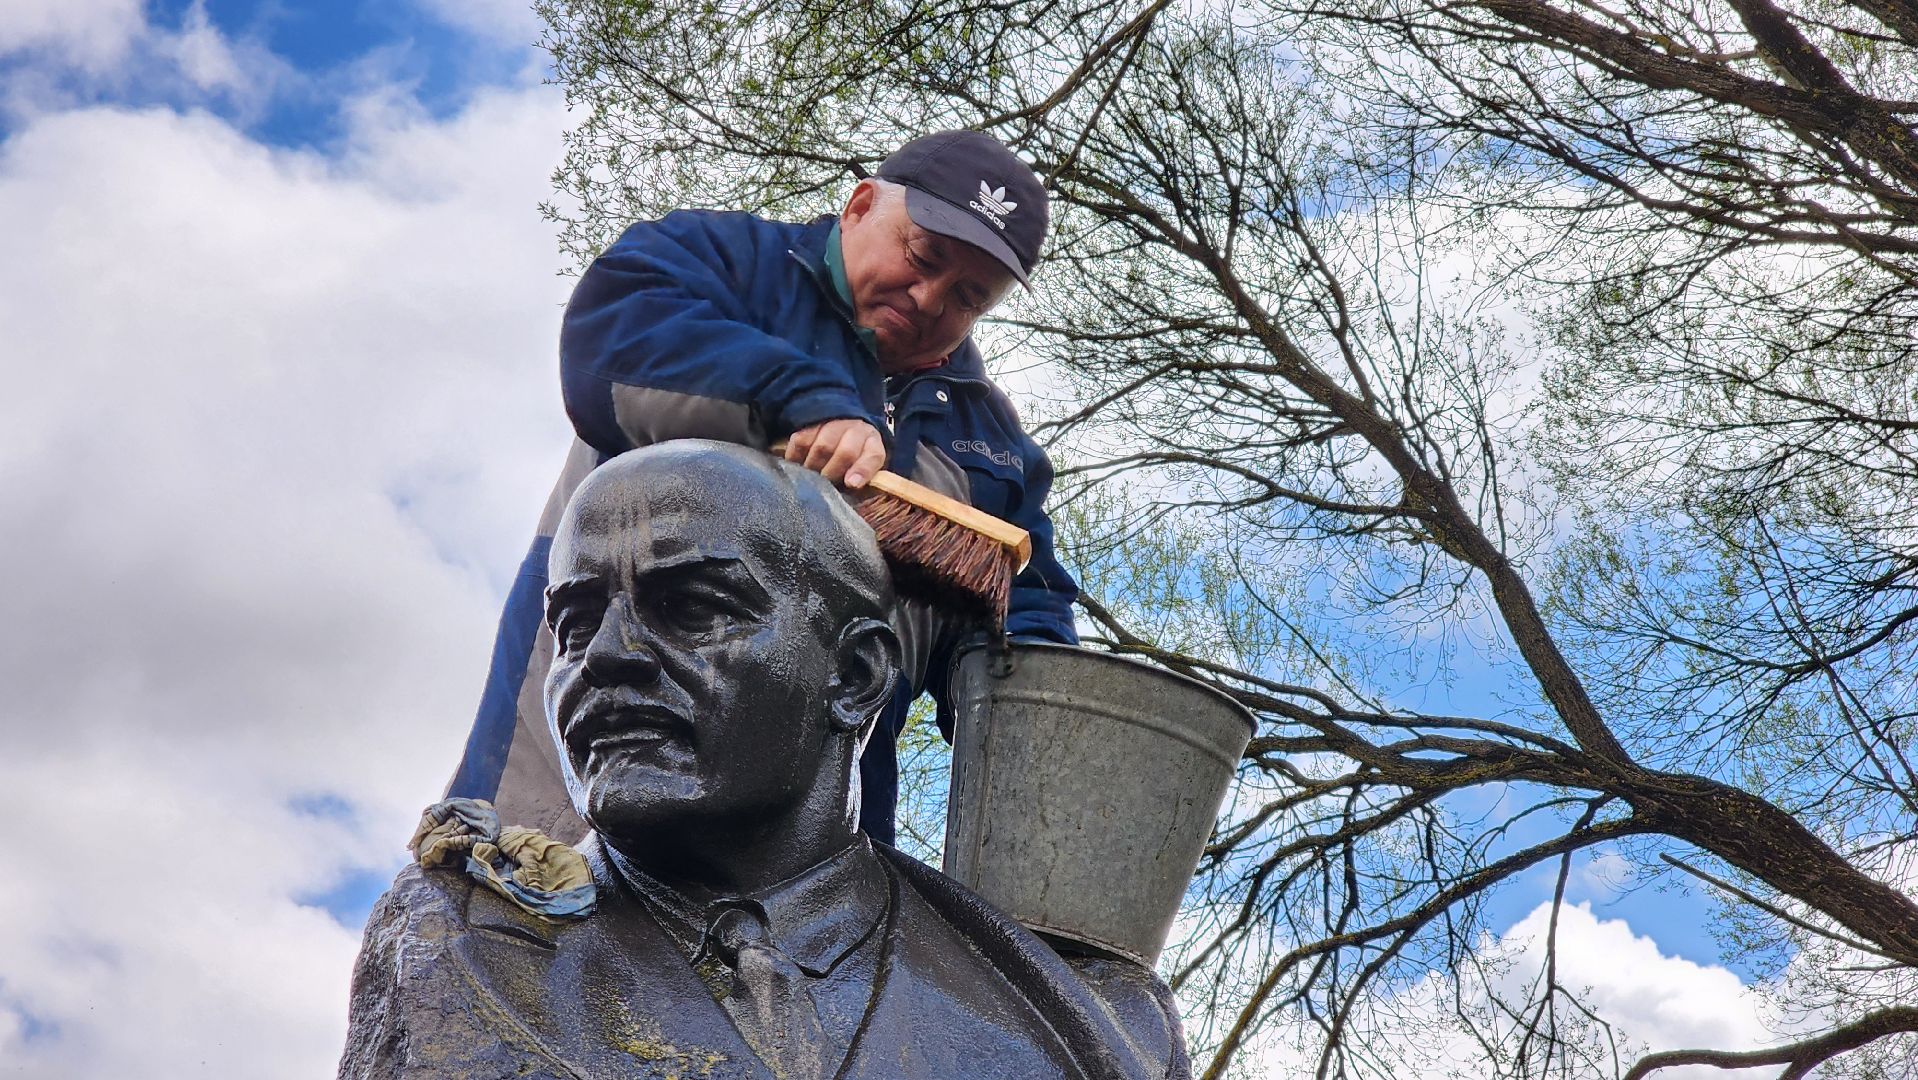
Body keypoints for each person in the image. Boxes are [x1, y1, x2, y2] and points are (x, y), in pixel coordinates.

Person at [340, 443, 1183, 1080]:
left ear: (855, 676)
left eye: (694, 608)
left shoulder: (1086, 1020)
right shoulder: (456, 941)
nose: (604, 657)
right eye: (574, 622)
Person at [445, 130, 1079, 845]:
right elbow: (607, 347)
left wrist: (1047, 708)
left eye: (968, 296)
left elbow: (1026, 609)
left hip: (816, 837)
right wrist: (805, 398)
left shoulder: (992, 444)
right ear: (861, 205)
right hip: (587, 753)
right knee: (512, 930)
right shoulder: (714, 266)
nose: (930, 297)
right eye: (923, 256)